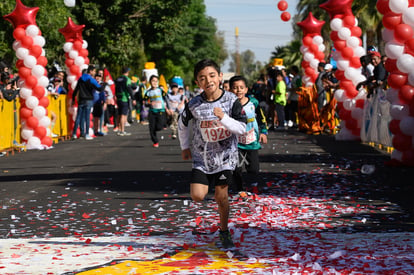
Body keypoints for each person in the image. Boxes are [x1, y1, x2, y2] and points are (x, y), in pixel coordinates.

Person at [178, 59, 246, 248]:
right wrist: (185, 147)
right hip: (202, 157)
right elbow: (182, 125)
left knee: (221, 197)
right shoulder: (194, 104)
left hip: (225, 157)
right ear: (198, 83)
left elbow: (241, 128)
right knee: (198, 196)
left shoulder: (232, 101)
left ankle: (224, 231)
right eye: (202, 78)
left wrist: (223, 118)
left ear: (220, 77)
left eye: (212, 75)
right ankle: (208, 185)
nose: (208, 80)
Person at [229, 75, 267, 192]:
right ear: (230, 90)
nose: (238, 90)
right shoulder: (228, 104)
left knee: (253, 169)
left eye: (241, 87)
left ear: (246, 89)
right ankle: (239, 189)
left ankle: (253, 187)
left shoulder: (253, 102)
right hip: (236, 141)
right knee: (237, 168)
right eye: (235, 88)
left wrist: (263, 132)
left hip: (251, 140)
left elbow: (261, 118)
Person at [72, 65, 106, 140]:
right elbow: (99, 88)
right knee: (87, 117)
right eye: (94, 71)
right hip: (88, 99)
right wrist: (104, 85)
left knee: (79, 117)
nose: (94, 72)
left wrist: (73, 99)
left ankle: (75, 134)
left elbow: (76, 89)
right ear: (90, 71)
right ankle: (86, 134)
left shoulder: (80, 78)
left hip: (81, 99)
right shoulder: (91, 79)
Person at [144, 75, 170, 147]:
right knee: (151, 128)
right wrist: (149, 103)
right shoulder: (148, 92)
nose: (154, 83)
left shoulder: (160, 90)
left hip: (161, 111)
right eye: (153, 81)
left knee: (159, 126)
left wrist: (168, 108)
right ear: (150, 82)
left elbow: (166, 99)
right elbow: (145, 102)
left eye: (156, 81)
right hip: (152, 111)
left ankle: (159, 127)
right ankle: (155, 142)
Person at [114, 66, 135, 136]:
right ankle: (122, 130)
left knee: (119, 115)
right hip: (124, 98)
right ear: (127, 72)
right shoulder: (127, 79)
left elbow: (115, 88)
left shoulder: (118, 78)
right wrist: (133, 98)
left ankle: (119, 129)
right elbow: (129, 88)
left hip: (118, 98)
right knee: (123, 115)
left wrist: (115, 95)